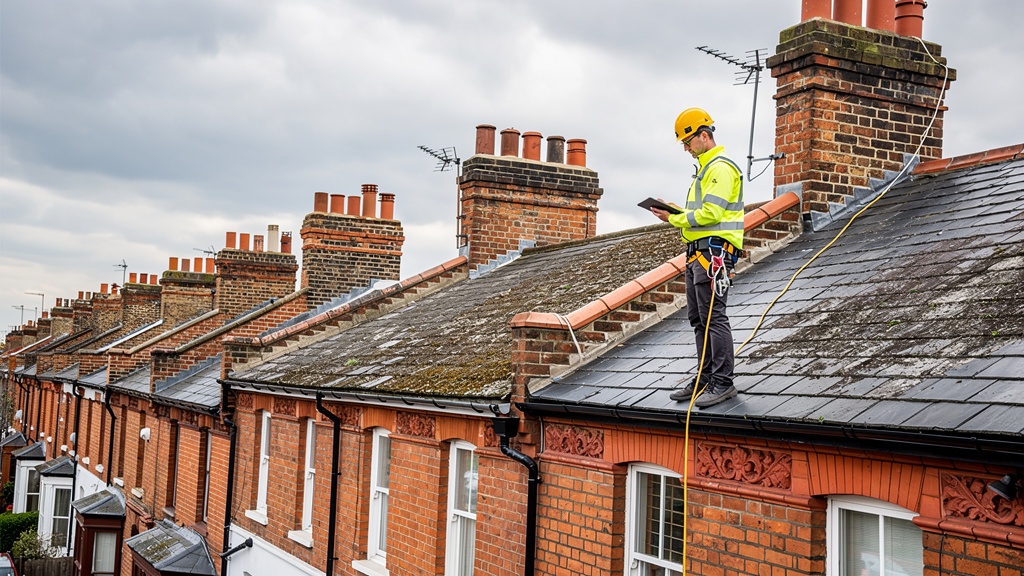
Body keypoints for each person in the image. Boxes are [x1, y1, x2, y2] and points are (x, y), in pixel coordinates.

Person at [648, 107, 744, 407]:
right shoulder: (705, 169)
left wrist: (674, 218)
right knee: (699, 319)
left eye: (688, 142)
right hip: (699, 254)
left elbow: (711, 214)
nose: (686, 149)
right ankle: (705, 379)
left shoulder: (719, 168)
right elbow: (701, 214)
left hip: (713, 253)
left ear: (704, 136)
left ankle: (722, 382)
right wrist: (677, 212)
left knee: (714, 316)